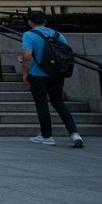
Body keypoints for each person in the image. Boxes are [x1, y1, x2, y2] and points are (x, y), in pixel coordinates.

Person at [21, 10, 84, 147]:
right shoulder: (57, 34)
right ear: (45, 21)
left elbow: (27, 55)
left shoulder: (29, 35)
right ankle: (74, 133)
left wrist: (25, 73)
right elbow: (66, 52)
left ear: (30, 22)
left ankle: (47, 136)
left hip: (38, 76)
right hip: (56, 75)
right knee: (58, 102)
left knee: (42, 104)